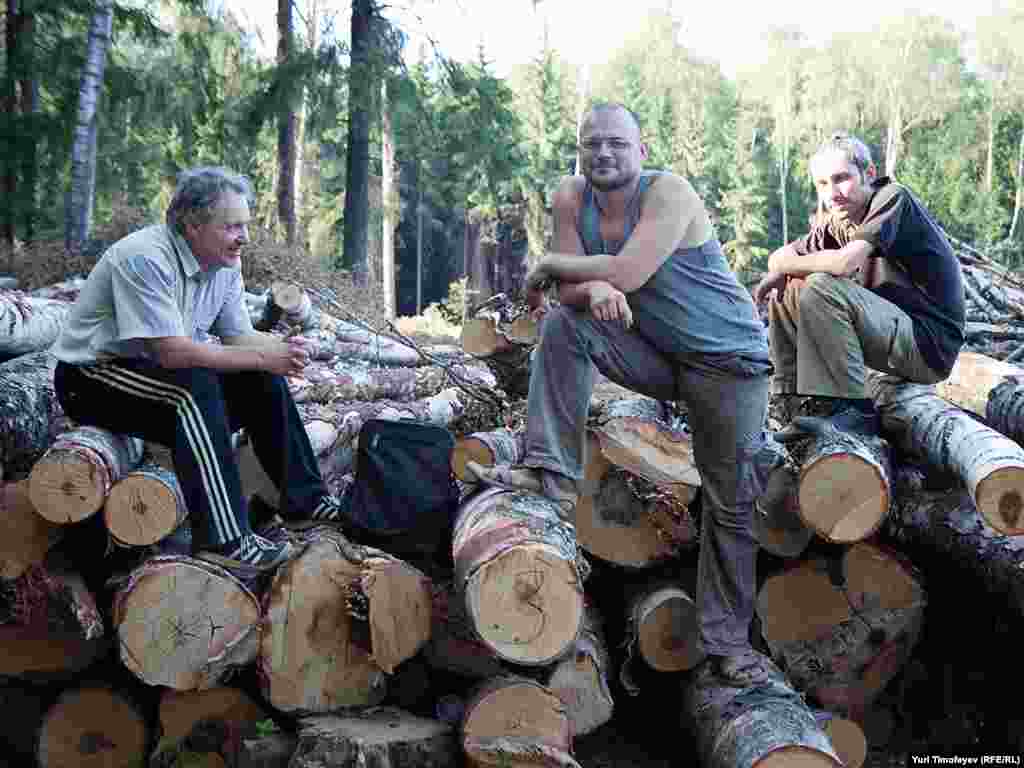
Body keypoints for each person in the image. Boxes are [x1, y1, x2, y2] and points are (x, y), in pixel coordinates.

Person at [468, 102, 780, 686]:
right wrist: (585, 285)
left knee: (730, 500)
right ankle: (551, 473)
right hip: (656, 352)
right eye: (591, 144)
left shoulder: (671, 194)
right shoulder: (569, 197)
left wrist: (566, 270)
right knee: (565, 327)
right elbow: (568, 296)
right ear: (579, 150)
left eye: (616, 143)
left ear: (642, 150)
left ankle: (727, 644)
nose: (602, 153)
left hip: (727, 361)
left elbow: (625, 273)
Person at [51, 167, 347, 576]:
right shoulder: (145, 257)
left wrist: (284, 351)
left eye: (245, 225)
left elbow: (238, 335)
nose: (243, 237)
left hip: (152, 374)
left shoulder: (225, 263)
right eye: (231, 227)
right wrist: (264, 357)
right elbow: (171, 353)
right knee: (192, 391)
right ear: (192, 224)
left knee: (259, 379)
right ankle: (223, 541)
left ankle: (306, 503)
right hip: (93, 378)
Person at [753, 132, 965, 440]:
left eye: (841, 179)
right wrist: (782, 269)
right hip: (895, 337)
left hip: (929, 344)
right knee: (789, 290)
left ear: (869, 173)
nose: (832, 194)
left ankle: (855, 413)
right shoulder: (840, 219)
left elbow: (843, 264)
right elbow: (780, 256)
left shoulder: (892, 198)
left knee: (821, 285)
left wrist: (785, 266)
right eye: (822, 184)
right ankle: (799, 405)